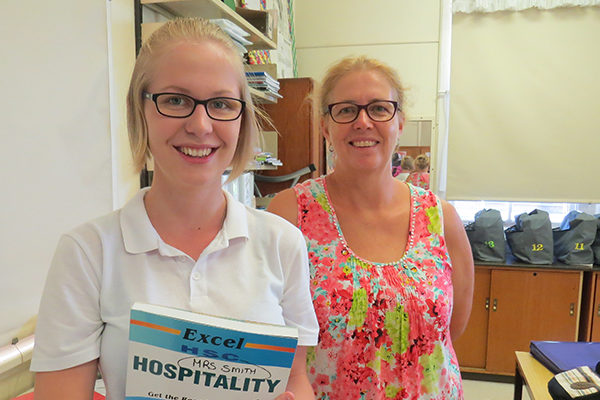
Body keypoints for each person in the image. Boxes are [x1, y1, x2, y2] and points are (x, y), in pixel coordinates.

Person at [31, 18, 318, 400]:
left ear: (242, 118)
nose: (200, 125)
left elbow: (295, 379)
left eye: (221, 104)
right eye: (176, 100)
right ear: (141, 109)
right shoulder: (88, 252)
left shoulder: (283, 243)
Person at [267, 56, 474, 399]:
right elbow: (273, 335)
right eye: (346, 110)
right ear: (325, 127)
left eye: (379, 109)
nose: (363, 122)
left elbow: (450, 331)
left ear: (400, 123)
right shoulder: (291, 213)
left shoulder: (441, 219)